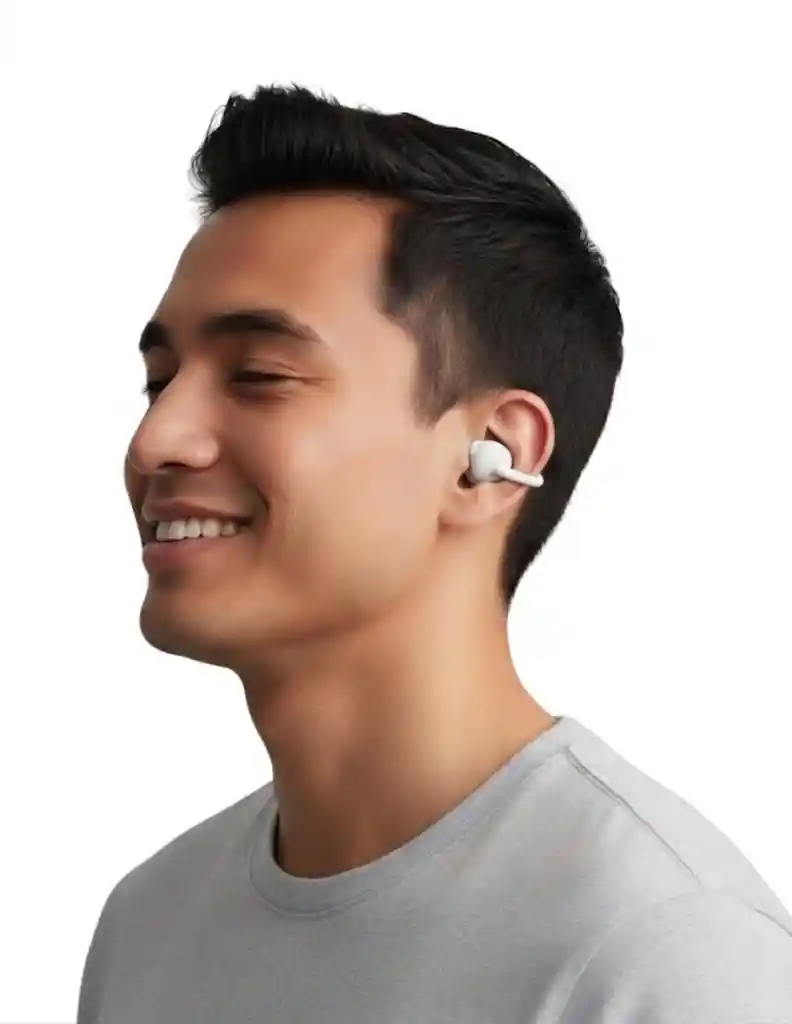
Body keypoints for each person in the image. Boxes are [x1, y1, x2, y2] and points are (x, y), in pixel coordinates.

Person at [76, 83, 792, 1022]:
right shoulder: (151, 923)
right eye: (159, 381)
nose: (156, 439)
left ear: (490, 457)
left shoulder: (663, 951)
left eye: (258, 374)